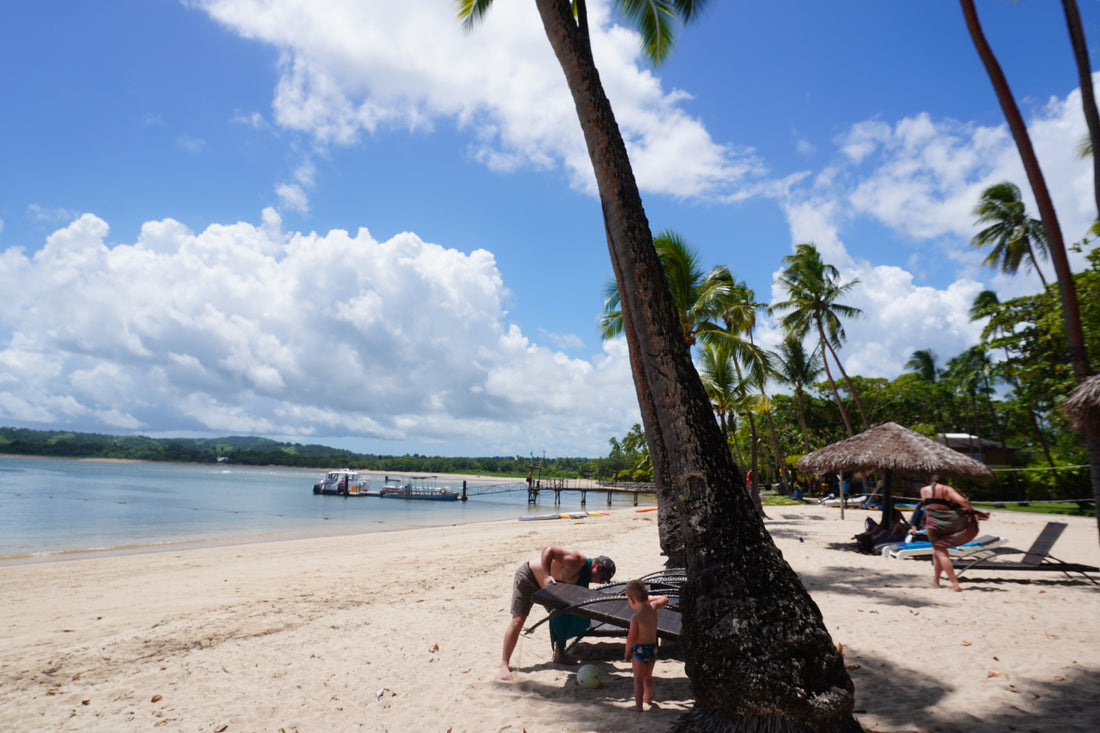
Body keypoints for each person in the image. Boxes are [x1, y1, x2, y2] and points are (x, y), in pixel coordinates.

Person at [499, 546, 616, 681]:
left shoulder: (584, 574)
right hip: (528, 578)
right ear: (598, 568)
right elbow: (548, 550)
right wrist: (547, 575)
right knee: (518, 621)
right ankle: (504, 664)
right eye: (602, 578)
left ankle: (559, 655)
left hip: (548, 586)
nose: (600, 582)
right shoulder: (576, 560)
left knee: (564, 613)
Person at [917, 474, 984, 592]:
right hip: (947, 522)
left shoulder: (923, 490)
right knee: (937, 550)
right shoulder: (947, 489)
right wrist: (970, 510)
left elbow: (927, 504)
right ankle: (936, 580)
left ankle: (955, 584)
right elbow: (962, 500)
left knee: (940, 551)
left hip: (932, 522)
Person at [623, 579, 669, 712]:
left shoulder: (636, 617)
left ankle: (638, 706)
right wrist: (648, 599)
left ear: (632, 601)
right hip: (653, 648)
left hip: (640, 650)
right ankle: (647, 699)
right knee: (648, 677)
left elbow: (631, 637)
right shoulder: (653, 607)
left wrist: (627, 652)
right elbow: (665, 599)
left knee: (638, 680)